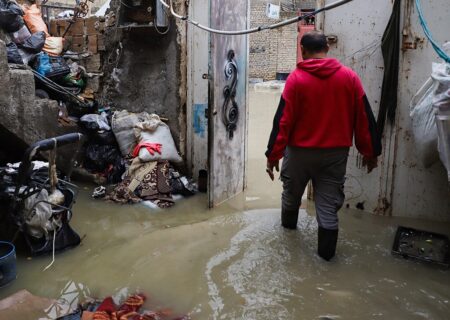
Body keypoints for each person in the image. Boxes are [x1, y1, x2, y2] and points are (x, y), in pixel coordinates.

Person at [265, 31, 381, 261]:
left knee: (291, 197)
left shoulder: (296, 80)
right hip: (335, 156)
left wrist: (273, 155)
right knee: (327, 210)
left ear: (303, 51)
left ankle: (288, 244)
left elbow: (283, 122)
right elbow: (365, 119)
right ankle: (326, 263)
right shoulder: (350, 77)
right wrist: (370, 152)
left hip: (299, 154)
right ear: (327, 49)